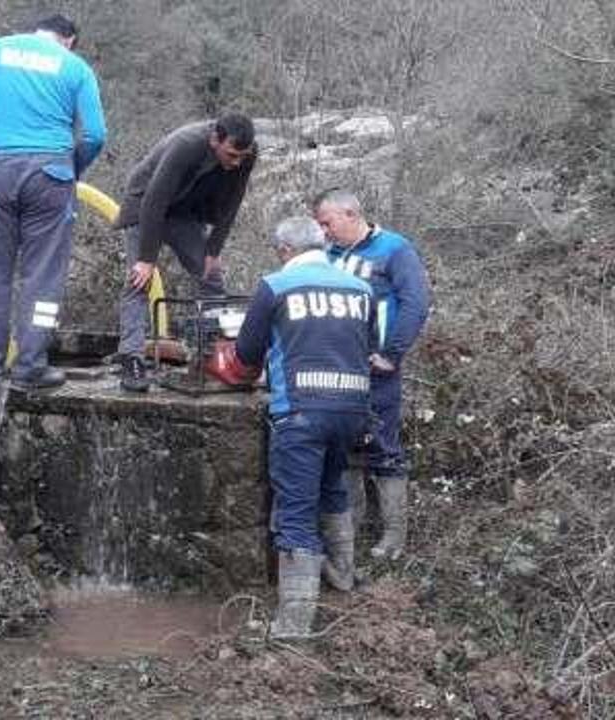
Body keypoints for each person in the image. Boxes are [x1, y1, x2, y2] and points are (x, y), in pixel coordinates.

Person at [218, 216, 375, 639]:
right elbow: (370, 347)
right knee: (333, 489)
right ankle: (343, 577)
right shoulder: (361, 289)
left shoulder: (276, 285)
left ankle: (294, 624)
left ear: (285, 250)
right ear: (321, 244)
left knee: (296, 511)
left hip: (300, 412)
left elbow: (246, 356)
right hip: (352, 408)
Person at [0, 13, 107, 390]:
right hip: (52, 172)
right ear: (68, 40)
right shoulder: (75, 67)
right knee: (43, 275)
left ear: (37, 32)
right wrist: (69, 170)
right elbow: (95, 134)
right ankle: (30, 368)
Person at [313, 188, 431, 560]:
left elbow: (416, 302)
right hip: (335, 368)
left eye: (327, 223)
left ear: (350, 214)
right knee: (343, 445)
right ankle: (353, 530)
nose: (324, 231)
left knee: (383, 445)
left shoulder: (394, 249)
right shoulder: (326, 255)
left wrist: (392, 353)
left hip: (376, 368)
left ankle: (395, 537)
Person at [112, 114, 258, 392]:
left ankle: (209, 354)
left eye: (242, 156)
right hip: (145, 204)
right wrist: (146, 259)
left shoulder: (246, 154)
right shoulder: (187, 144)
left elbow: (233, 203)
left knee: (211, 276)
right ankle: (131, 358)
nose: (236, 162)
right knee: (139, 281)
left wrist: (213, 249)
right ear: (215, 139)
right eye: (231, 154)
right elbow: (154, 200)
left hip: (185, 210)